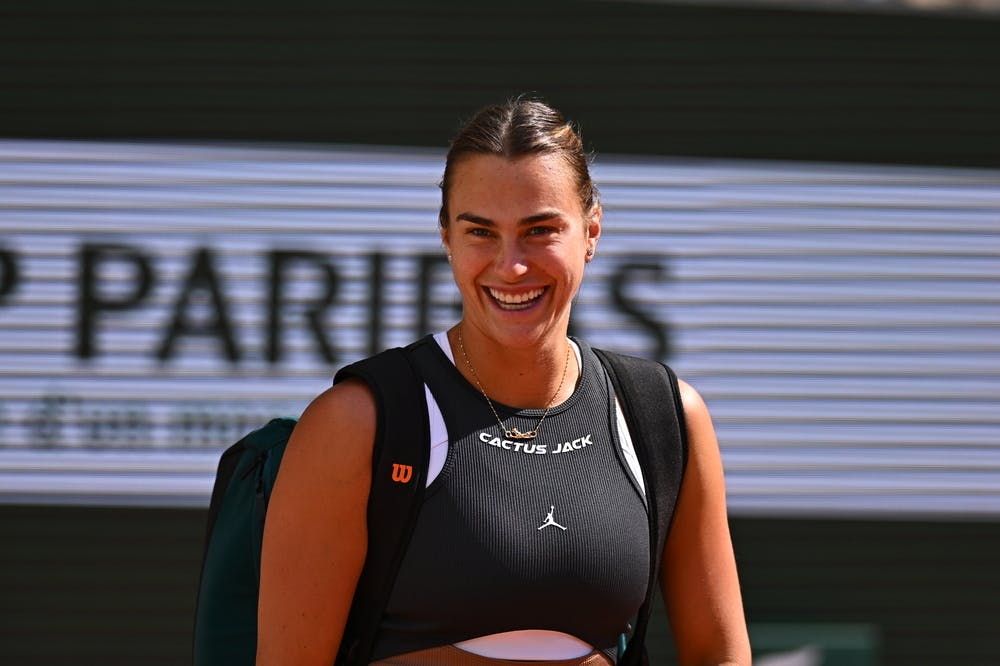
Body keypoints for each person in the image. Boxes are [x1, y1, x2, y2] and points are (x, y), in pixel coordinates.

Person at [256, 97, 751, 665]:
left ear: (591, 230)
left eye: (540, 230)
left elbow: (720, 654)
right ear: (446, 236)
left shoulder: (664, 416)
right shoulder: (357, 421)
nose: (511, 266)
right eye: (481, 232)